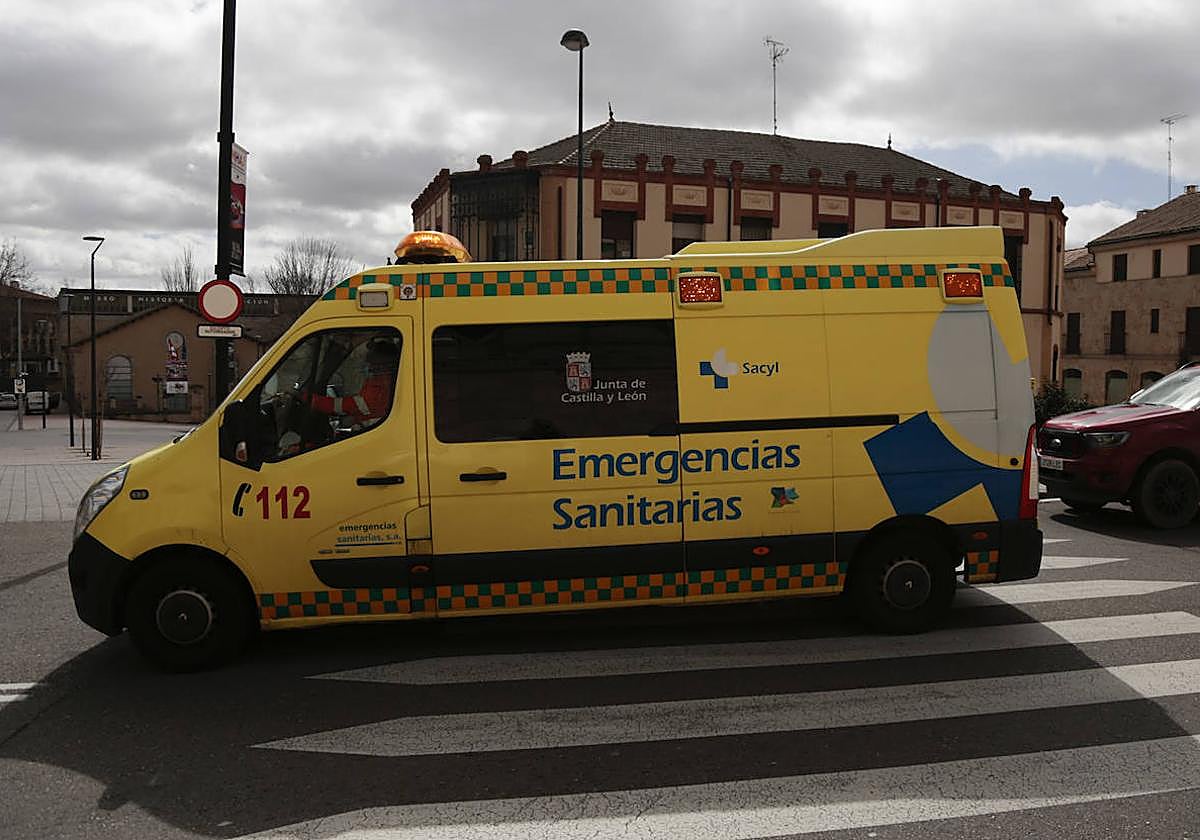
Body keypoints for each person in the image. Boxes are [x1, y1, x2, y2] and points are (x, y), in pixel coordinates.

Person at [306, 338, 399, 427]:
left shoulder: (381, 386)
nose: (369, 366)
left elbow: (348, 406)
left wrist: (311, 400)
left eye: (372, 363)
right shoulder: (387, 382)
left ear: (383, 364)